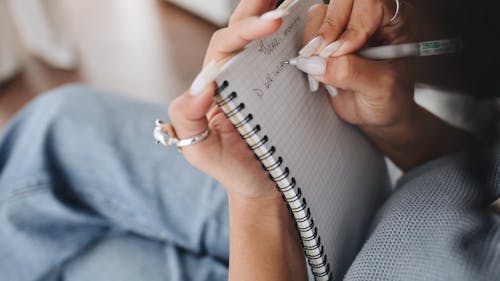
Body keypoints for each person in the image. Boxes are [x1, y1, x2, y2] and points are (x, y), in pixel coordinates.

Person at [0, 0, 498, 280]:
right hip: (379, 204)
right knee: (61, 126)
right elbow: (476, 194)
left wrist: (259, 201)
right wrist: (400, 126)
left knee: (84, 257)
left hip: (329, 246)